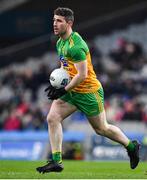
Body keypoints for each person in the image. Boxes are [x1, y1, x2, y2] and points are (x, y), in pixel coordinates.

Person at [36, 7, 140, 174]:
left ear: (69, 23)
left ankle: (131, 146)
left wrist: (63, 90)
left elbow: (82, 75)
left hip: (88, 92)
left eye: (59, 21)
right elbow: (65, 66)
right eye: (54, 20)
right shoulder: (60, 42)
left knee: (101, 129)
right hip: (72, 91)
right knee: (52, 118)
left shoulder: (76, 46)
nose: (54, 24)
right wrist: (58, 84)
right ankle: (56, 161)